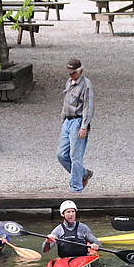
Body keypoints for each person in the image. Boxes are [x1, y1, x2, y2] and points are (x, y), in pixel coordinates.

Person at [56, 57, 95, 193]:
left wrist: (84, 126)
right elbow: (65, 102)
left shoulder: (86, 85)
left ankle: (76, 187)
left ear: (80, 71)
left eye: (73, 73)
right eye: (69, 73)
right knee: (61, 155)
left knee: (75, 156)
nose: (70, 75)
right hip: (67, 121)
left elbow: (88, 108)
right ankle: (83, 174)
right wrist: (62, 120)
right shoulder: (69, 82)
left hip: (78, 122)